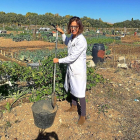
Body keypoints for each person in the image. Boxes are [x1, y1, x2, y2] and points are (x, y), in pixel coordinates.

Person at [53, 16, 87, 125]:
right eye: (71, 26)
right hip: (72, 68)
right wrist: (62, 33)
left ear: (79, 27)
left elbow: (72, 57)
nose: (73, 29)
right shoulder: (73, 37)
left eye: (75, 26)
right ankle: (73, 106)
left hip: (78, 70)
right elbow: (67, 43)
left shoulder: (81, 41)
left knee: (80, 92)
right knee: (72, 87)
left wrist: (59, 60)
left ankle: (83, 115)